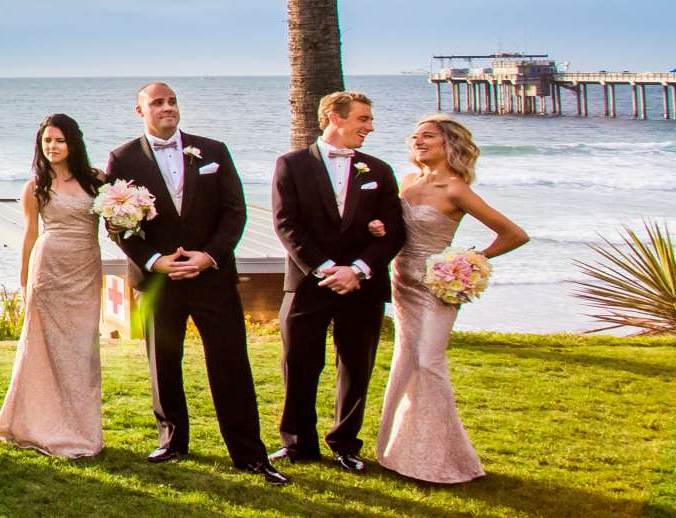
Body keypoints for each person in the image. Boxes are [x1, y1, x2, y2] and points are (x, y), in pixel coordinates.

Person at [103, 84, 285, 484]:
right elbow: (116, 223)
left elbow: (233, 212)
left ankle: (249, 453)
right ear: (140, 111)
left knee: (230, 362)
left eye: (171, 101)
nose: (167, 108)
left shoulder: (213, 151)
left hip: (211, 276)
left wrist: (208, 257)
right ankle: (172, 440)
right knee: (163, 363)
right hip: (158, 281)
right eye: (157, 103)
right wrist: (156, 261)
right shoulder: (123, 158)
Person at [376, 115, 526, 483]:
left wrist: (469, 261)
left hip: (434, 290)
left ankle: (443, 459)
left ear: (448, 144)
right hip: (402, 282)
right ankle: (399, 452)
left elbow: (514, 234)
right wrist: (377, 227)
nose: (418, 141)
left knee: (429, 362)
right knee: (407, 362)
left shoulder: (455, 189)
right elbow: (398, 228)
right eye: (415, 136)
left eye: (427, 136)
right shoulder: (409, 181)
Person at [270, 91, 407, 471]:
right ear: (334, 117)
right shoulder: (291, 164)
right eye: (363, 119)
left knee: (356, 365)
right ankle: (297, 443)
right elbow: (286, 224)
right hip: (308, 283)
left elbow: (394, 231)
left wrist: (358, 269)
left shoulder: (377, 170)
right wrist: (326, 268)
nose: (370, 127)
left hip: (362, 286)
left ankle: (346, 444)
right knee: (298, 362)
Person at [0, 114, 107, 459]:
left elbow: (113, 223)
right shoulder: (35, 186)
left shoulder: (96, 180)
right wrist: (25, 282)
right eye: (46, 142)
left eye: (59, 140)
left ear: (73, 143)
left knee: (82, 352)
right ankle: (38, 423)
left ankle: (82, 429)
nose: (52, 147)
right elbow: (29, 236)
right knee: (43, 349)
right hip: (49, 270)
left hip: (85, 269)